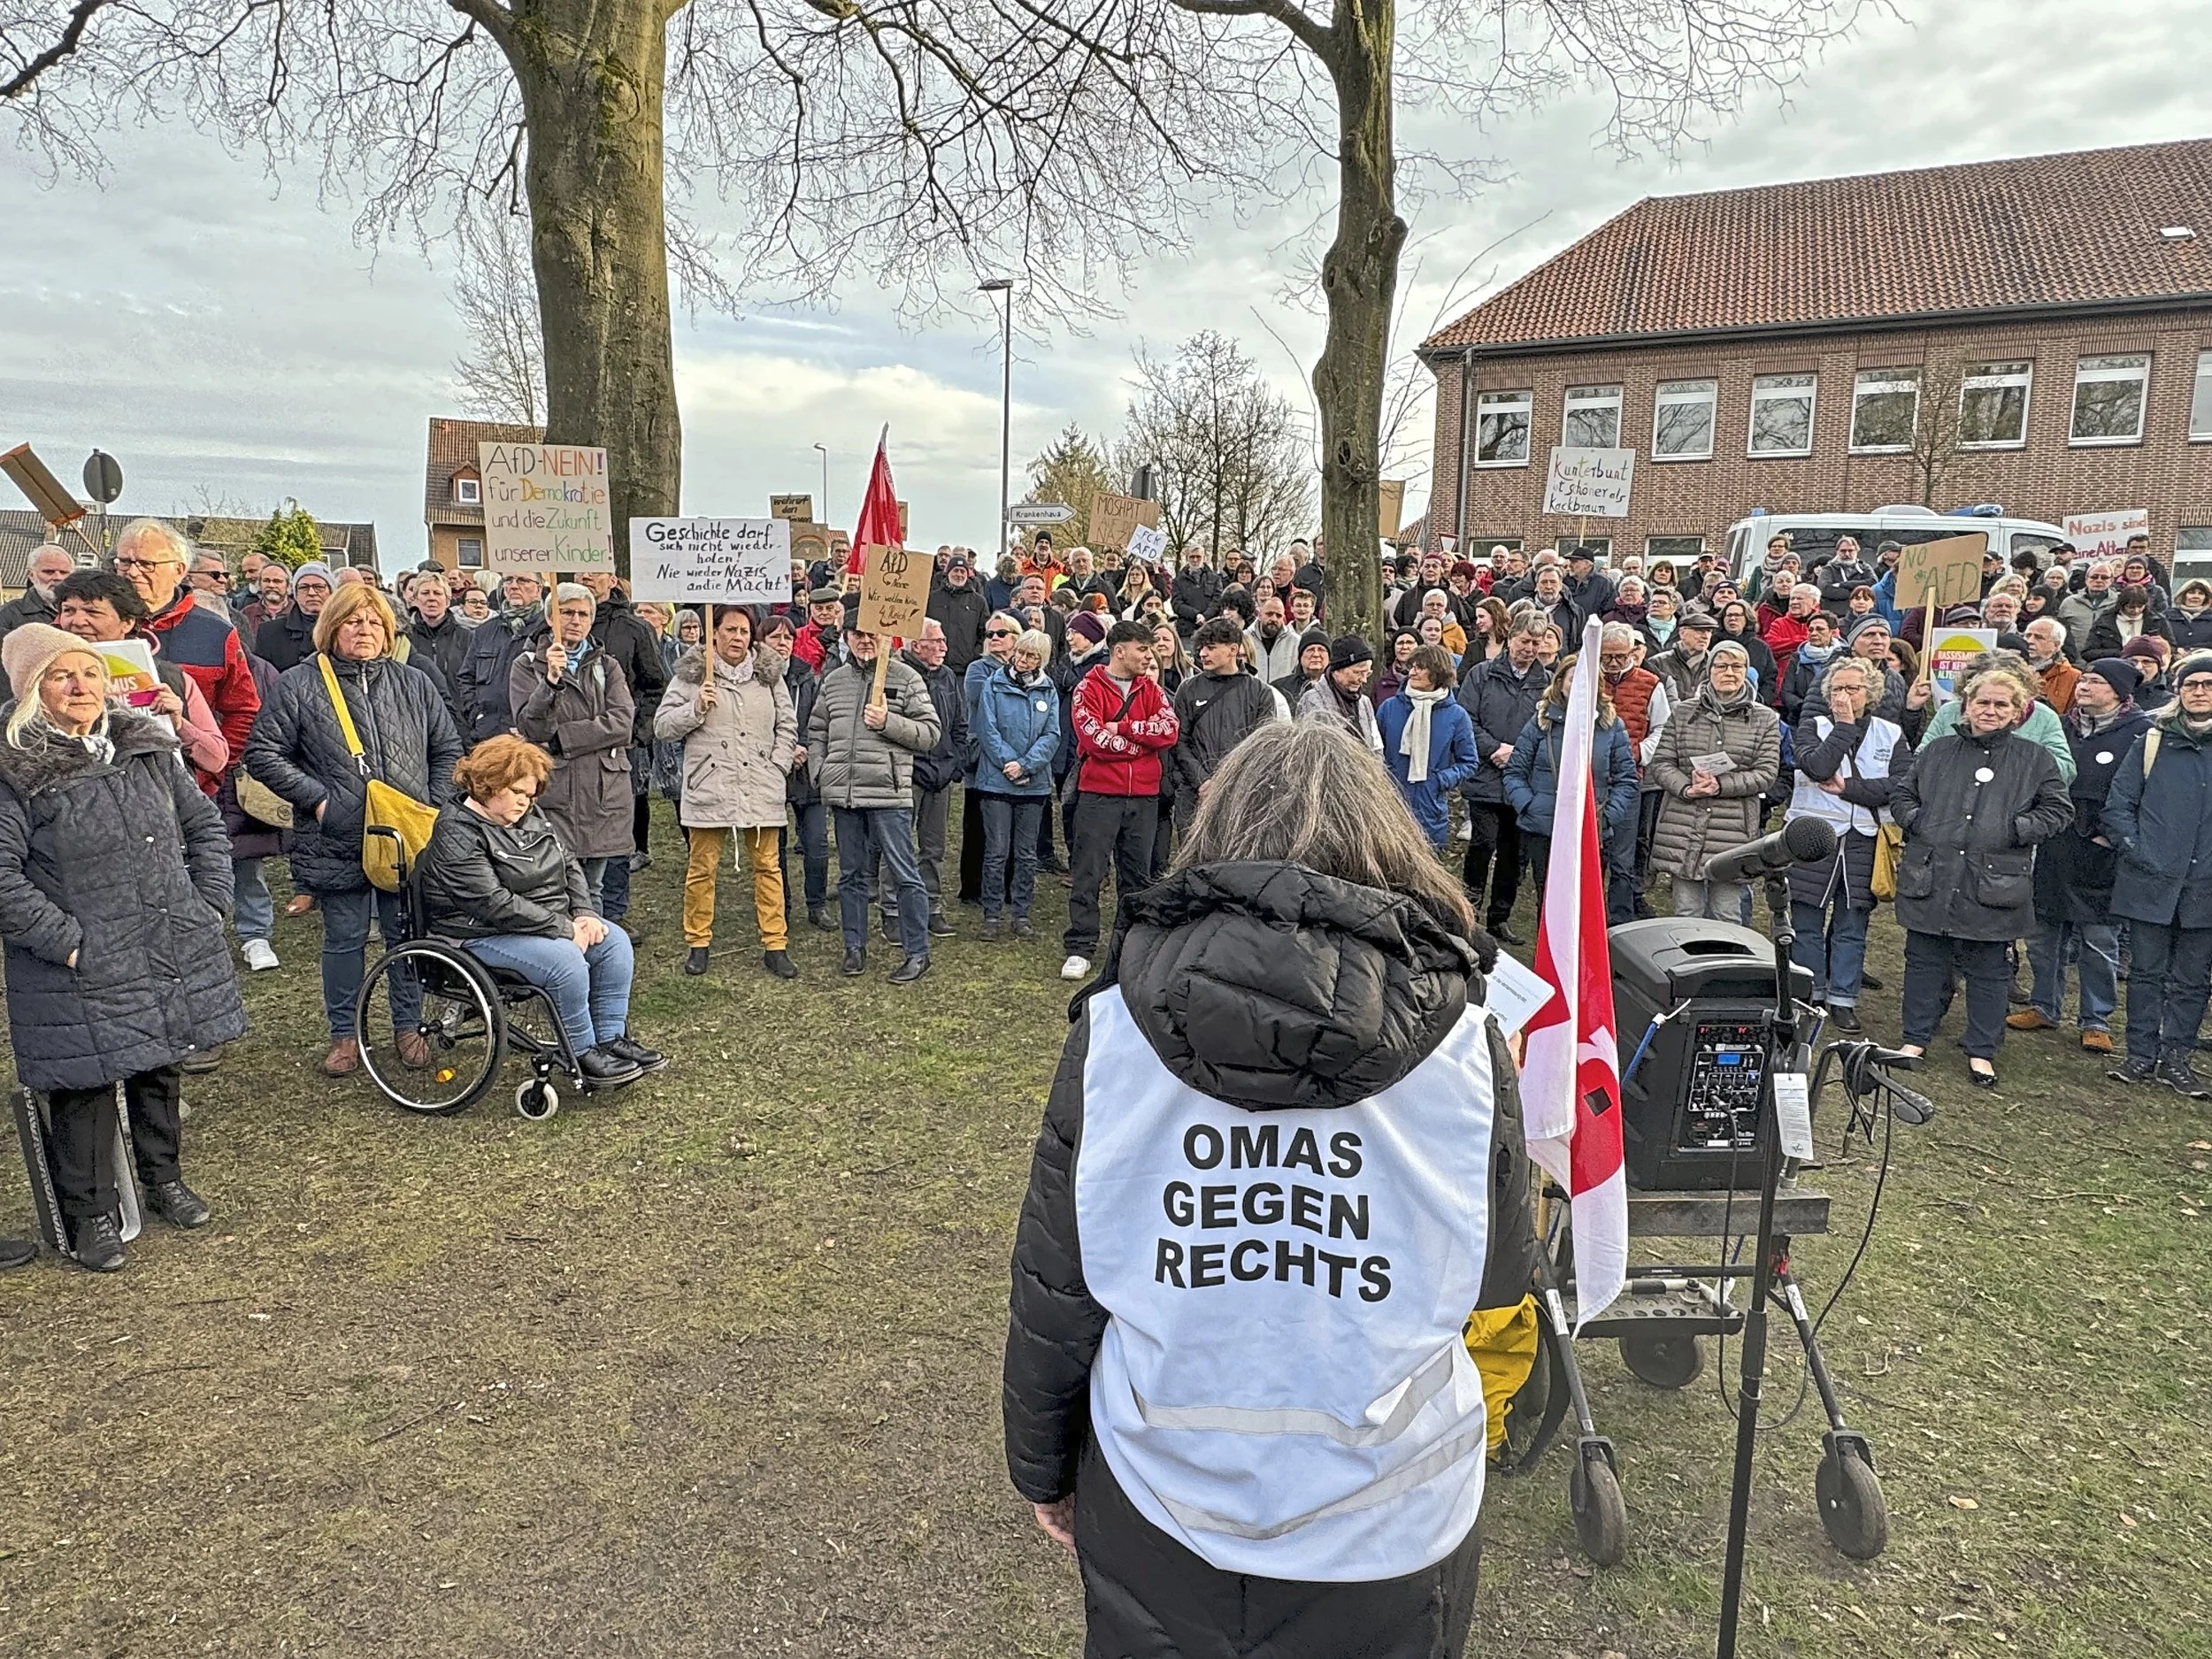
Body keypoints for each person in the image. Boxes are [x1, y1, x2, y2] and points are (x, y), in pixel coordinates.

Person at [1003, 718, 1532, 1658]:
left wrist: (1043, 1466)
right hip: (1389, 1513)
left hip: (1162, 1489)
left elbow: (1059, 1283)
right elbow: (1496, 1276)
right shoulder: (1467, 1040)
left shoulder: (1116, 1024)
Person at [0, 626, 245, 1271]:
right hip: (78, 956)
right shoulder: (16, 766)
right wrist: (68, 942)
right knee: (83, 1081)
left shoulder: (143, 746)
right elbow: (3, 873)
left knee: (160, 1058)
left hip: (163, 937)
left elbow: (201, 826)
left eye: (90, 672)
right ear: (32, 689)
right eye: (62, 676)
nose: (82, 687)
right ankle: (90, 1216)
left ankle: (163, 1178)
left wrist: (209, 900)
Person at [245, 581, 464, 1077]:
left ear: (388, 630)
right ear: (332, 627)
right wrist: (320, 801)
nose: (364, 630)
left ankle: (408, 1027)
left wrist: (429, 804)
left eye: (373, 622)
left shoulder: (414, 683)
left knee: (404, 936)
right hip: (336, 838)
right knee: (344, 938)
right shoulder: (301, 684)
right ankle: (345, 1035)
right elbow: (262, 753)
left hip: (404, 837)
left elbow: (447, 749)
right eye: (353, 621)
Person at [417, 735, 658, 1088]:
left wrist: (585, 912)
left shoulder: (530, 815)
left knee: (614, 941)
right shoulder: (456, 830)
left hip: (536, 922)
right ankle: (581, 1051)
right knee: (565, 961)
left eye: (530, 795)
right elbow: (491, 902)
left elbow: (568, 863)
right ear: (488, 784)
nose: (525, 801)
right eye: (517, 792)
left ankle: (610, 1039)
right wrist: (562, 927)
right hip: (475, 933)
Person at [1889, 657, 2072, 1088]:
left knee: (1990, 969)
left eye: (2001, 704)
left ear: (2017, 710)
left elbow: (2058, 809)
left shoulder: (2034, 758)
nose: (1990, 710)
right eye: (1982, 702)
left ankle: (1981, 1050)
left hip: (1993, 881)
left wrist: (2015, 830)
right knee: (1923, 961)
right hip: (1934, 874)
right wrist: (1917, 822)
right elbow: (1902, 792)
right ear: (1966, 705)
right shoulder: (1937, 750)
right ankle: (1914, 1039)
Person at [2008, 657, 2149, 1056]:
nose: (2084, 686)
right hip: (2055, 842)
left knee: (2098, 940)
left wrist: (2115, 836)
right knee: (2043, 934)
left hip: (2102, 849)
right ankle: (2043, 1004)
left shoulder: (2141, 733)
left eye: (2096, 681)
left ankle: (2096, 1019)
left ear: (2120, 692)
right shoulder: (2063, 726)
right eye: (2084, 679)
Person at [653, 605, 797, 979]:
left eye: (744, 631)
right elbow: (663, 727)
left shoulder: (769, 677)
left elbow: (787, 726)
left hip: (760, 785)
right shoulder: (691, 677)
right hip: (709, 786)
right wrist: (696, 706)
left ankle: (775, 944)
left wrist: (777, 765)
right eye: (730, 630)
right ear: (713, 632)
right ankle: (698, 942)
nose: (738, 638)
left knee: (768, 867)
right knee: (702, 869)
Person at [809, 620, 943, 983]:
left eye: (872, 634)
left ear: (885, 636)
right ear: (847, 638)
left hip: (889, 792)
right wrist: (820, 770)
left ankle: (918, 952)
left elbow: (930, 733)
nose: (865, 641)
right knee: (851, 874)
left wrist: (888, 721)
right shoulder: (834, 680)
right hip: (845, 793)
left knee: (904, 873)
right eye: (857, 635)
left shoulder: (906, 677)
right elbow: (817, 730)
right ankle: (854, 946)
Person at [2103, 649, 2212, 1095]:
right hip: (2150, 879)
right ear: (2178, 690)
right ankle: (2139, 1055)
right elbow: (2119, 805)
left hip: (2205, 885)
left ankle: (2177, 1058)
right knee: (2145, 973)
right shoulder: (2152, 741)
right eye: (2191, 685)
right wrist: (2138, 850)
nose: (2200, 692)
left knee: (2192, 979)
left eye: (2208, 685)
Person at [1784, 656, 1902, 1033]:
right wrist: (1844, 728)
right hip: (1813, 838)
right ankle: (1810, 993)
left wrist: (1850, 790)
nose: (1844, 696)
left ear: (1871, 693)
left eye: (1853, 689)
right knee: (1806, 922)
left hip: (1863, 841)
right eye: (1837, 689)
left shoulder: (1891, 732)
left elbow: (1900, 786)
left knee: (1852, 925)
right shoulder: (1812, 725)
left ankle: (1843, 998)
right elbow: (1817, 767)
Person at [1061, 619, 1180, 982]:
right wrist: (1140, 747)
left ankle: (1128, 946)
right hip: (1099, 796)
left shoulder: (1153, 691)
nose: (1150, 655)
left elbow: (1170, 730)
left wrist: (1124, 728)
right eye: (1143, 649)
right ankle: (1080, 946)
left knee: (1137, 877)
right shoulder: (1088, 688)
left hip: (1143, 799)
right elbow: (1093, 738)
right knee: (1088, 872)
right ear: (1120, 651)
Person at [508, 583, 637, 915]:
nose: (575, 620)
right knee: (554, 886)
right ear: (550, 618)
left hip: (601, 793)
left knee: (592, 886)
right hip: (556, 794)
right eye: (566, 612)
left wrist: (562, 739)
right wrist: (550, 683)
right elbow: (532, 727)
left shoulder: (607, 666)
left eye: (582, 614)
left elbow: (622, 723)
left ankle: (593, 957)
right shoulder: (527, 666)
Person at [111, 518, 260, 794]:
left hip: (187, 788)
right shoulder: (95, 627)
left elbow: (242, 710)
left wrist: (212, 773)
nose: (132, 572)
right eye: (124, 562)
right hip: (110, 786)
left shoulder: (216, 632)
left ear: (179, 570)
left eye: (146, 564)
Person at [1647, 640, 1782, 923]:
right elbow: (1661, 763)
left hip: (1732, 829)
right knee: (1686, 912)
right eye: (1721, 666)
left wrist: (1722, 785)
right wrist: (1686, 787)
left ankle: (1727, 966)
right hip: (1683, 824)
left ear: (1747, 671)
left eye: (1737, 666)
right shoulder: (1684, 712)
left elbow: (1767, 773)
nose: (1729, 672)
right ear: (1710, 671)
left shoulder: (1764, 719)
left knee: (1727, 914)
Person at [1502, 651, 1637, 912]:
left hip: (1591, 827)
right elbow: (1514, 772)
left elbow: (1626, 779)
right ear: (1561, 682)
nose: (1578, 686)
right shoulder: (1541, 722)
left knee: (1585, 900)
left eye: (1585, 680)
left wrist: (1607, 816)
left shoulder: (1611, 726)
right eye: (1573, 679)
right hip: (1545, 827)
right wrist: (1530, 805)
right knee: (1549, 897)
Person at [1457, 617, 1548, 941]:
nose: (1530, 649)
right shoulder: (1481, 674)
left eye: (1536, 643)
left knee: (1513, 853)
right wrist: (1494, 748)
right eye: (1525, 641)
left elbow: (1546, 729)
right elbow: (1466, 718)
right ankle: (1469, 911)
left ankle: (1499, 918)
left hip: (1522, 781)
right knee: (1482, 844)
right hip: (1484, 774)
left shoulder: (1545, 682)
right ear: (1511, 638)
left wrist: (1517, 754)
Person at [972, 628, 1061, 941]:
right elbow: (987, 728)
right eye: (1020, 653)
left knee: (1026, 854)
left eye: (1031, 656)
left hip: (1033, 785)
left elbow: (1053, 735)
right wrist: (1009, 763)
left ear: (1042, 660)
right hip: (996, 782)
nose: (1023, 660)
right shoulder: (992, 684)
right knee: (996, 852)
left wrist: (1027, 764)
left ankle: (1021, 914)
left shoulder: (1048, 690)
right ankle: (992, 915)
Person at [881, 618, 966, 941]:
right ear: (916, 645)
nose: (944, 647)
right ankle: (891, 909)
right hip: (907, 772)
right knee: (898, 845)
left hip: (941, 773)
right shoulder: (896, 674)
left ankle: (932, 906)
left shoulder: (947, 677)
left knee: (934, 846)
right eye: (937, 641)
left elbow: (959, 722)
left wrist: (954, 761)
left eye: (944, 640)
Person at [1170, 616, 1280, 822]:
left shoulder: (1260, 692)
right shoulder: (1187, 689)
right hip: (1194, 796)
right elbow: (1179, 742)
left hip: (1242, 798)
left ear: (1233, 649)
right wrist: (1202, 782)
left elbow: (1265, 747)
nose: (1203, 653)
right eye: (1201, 647)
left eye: (1211, 647)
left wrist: (1232, 784)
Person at [1378, 644, 1480, 849]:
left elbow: (1469, 762)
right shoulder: (1389, 708)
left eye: (1421, 667)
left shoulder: (1456, 715)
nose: (1413, 672)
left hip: (1430, 806)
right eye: (1412, 666)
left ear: (1438, 673)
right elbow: (1373, 751)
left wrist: (1441, 780)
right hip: (1391, 802)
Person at [457, 571, 547, 743]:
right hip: (488, 734)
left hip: (531, 739)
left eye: (522, 580)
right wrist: (477, 715)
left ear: (538, 589)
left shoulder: (549, 630)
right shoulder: (485, 630)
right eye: (508, 580)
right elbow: (466, 677)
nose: (513, 586)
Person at [1296, 634, 1384, 755]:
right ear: (1337, 671)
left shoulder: (1365, 702)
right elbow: (1308, 751)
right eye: (1358, 673)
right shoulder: (1312, 700)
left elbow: (1376, 747)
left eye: (1367, 674)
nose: (1364, 680)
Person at [927, 551, 990, 673]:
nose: (959, 574)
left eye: (963, 571)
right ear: (948, 573)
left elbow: (985, 633)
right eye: (955, 570)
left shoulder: (978, 602)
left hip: (966, 669)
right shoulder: (932, 599)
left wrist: (974, 656)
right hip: (936, 667)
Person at [0, 544, 76, 642]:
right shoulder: (9, 613)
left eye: (64, 572)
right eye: (49, 572)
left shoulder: (84, 611)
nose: (58, 577)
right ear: (32, 575)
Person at [1243, 595, 1301, 685]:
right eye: (1269, 614)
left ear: (1284, 618)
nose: (1274, 619)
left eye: (1278, 615)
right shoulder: (1245, 639)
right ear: (1260, 615)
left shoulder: (1296, 642)